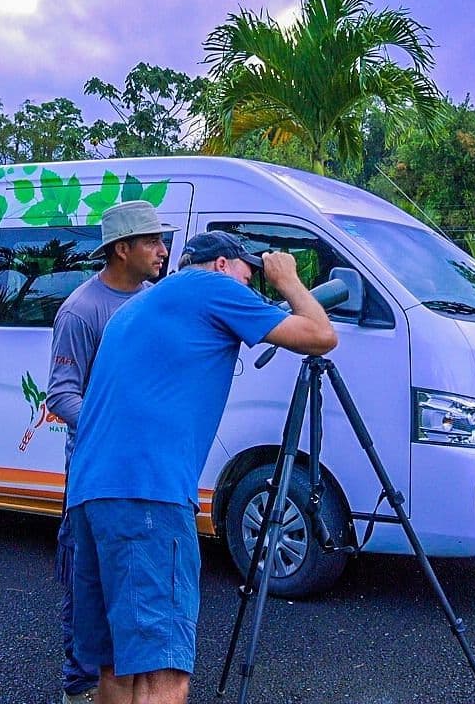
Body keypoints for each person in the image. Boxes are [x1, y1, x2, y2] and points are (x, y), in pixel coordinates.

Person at [67, 231, 338, 703]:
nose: (253, 283)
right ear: (220, 266)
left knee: (117, 666)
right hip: (149, 494)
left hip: (91, 493)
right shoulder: (215, 289)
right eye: (248, 272)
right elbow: (320, 336)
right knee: (164, 672)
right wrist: (290, 282)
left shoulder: (136, 307)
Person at [46, 200, 177, 704]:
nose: (162, 250)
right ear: (121, 250)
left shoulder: (153, 300)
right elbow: (61, 392)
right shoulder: (81, 309)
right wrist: (112, 430)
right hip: (95, 472)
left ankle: (124, 683)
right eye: (152, 241)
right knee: (86, 582)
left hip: (145, 471)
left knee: (137, 582)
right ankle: (80, 687)